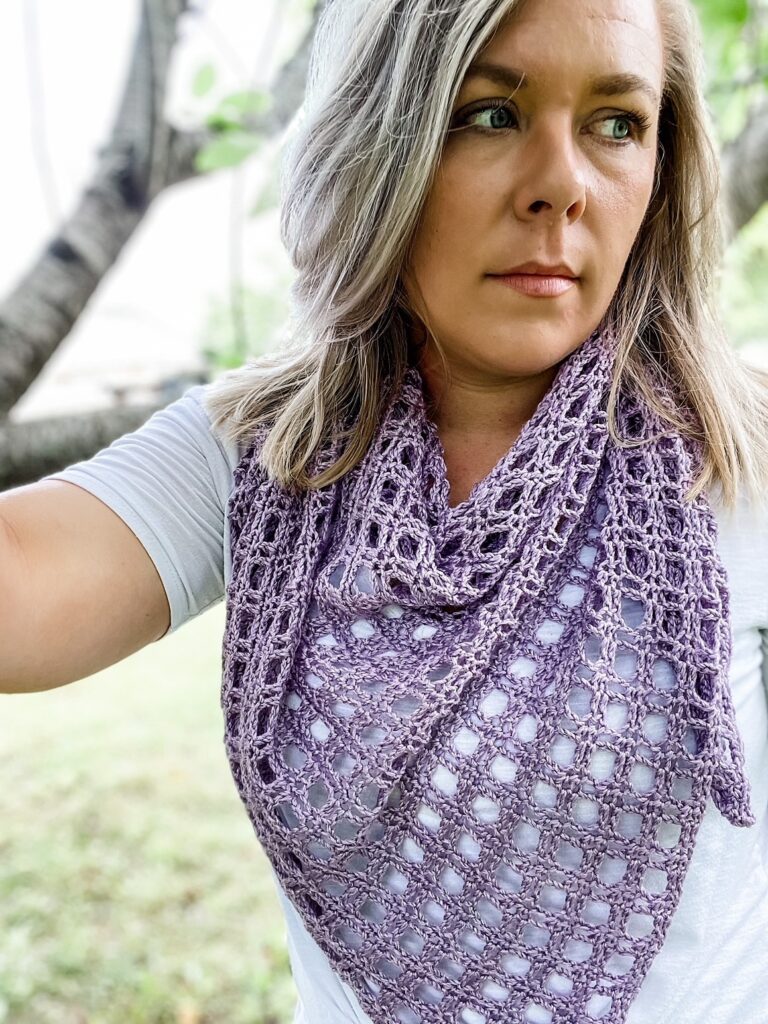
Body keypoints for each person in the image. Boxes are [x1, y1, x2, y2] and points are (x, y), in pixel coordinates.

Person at [2, 0, 768, 1021]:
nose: (561, 185)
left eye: (616, 122)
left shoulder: (741, 449)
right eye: (489, 113)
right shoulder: (267, 450)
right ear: (384, 136)